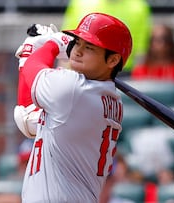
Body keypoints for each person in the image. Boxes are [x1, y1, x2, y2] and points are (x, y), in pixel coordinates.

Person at [13, 12, 132, 202]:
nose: (77, 51)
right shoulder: (110, 100)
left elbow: (32, 68)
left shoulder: (74, 89)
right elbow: (27, 118)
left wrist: (50, 44)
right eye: (76, 42)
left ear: (112, 60)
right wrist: (34, 52)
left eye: (89, 47)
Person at [60, 0, 151, 73]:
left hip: (124, 73)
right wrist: (64, 72)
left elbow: (141, 52)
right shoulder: (79, 3)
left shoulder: (138, 7)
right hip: (78, 71)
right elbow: (66, 42)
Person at [131, 24, 174, 102]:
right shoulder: (139, 70)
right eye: (154, 40)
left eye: (163, 39)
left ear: (170, 43)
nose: (159, 44)